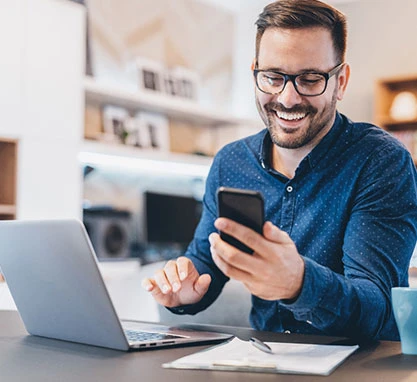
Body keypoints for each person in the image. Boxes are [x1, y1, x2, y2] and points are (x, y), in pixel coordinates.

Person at [142, 0, 417, 341]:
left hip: (357, 369)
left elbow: (377, 308)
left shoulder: (379, 161)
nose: (287, 98)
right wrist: (184, 288)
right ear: (256, 72)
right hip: (264, 362)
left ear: (341, 81)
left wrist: (300, 283)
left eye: (310, 79)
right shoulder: (231, 163)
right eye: (273, 77)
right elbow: (205, 260)